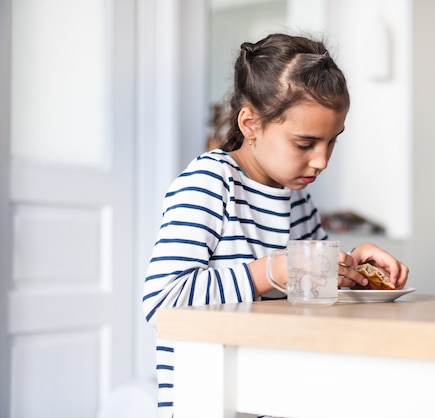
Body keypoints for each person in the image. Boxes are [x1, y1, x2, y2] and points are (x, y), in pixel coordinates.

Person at [142, 33, 409, 418]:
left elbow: (311, 286)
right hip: (212, 399)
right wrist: (274, 270)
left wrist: (353, 267)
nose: (322, 161)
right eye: (305, 144)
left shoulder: (297, 198)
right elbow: (162, 302)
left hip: (277, 395)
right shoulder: (208, 184)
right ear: (251, 123)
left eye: (332, 142)